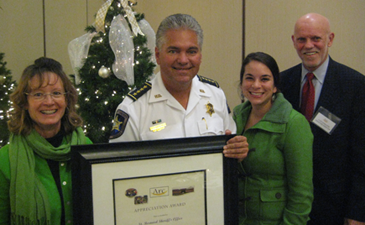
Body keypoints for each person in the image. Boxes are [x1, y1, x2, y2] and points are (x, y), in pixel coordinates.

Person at [110, 13, 248, 160]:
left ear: (200, 56)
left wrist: (238, 151)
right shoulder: (133, 108)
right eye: (173, 51)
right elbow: (119, 168)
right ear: (157, 55)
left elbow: (231, 150)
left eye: (191, 51)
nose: (183, 60)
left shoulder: (215, 95)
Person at [280, 13, 365, 225]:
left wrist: (357, 212)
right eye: (301, 39)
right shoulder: (281, 83)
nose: (309, 45)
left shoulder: (355, 85)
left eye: (316, 38)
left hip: (335, 208)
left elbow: (362, 157)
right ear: (293, 41)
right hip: (290, 206)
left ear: (330, 39)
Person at [0, 57, 92, 225]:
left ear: (66, 99)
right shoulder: (5, 160)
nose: (49, 102)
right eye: (38, 94)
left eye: (56, 93)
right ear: (25, 102)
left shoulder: (86, 148)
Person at [233, 52, 313, 224]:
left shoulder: (294, 124)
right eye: (249, 78)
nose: (256, 85)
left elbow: (301, 194)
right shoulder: (236, 118)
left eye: (264, 79)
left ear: (275, 85)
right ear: (241, 84)